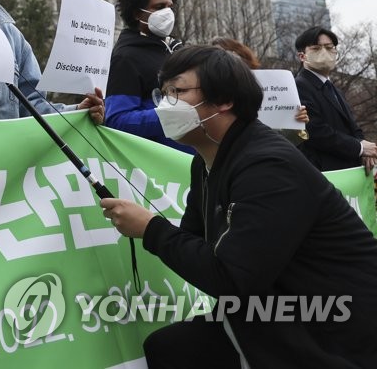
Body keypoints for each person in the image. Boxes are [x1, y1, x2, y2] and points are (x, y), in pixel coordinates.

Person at [101, 46, 377, 368]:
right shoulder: (206, 161)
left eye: (178, 91)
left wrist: (150, 228)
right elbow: (196, 242)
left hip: (337, 323)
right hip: (279, 307)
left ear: (225, 99)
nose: (165, 105)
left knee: (179, 350)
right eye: (162, 93)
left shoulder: (268, 165)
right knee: (168, 347)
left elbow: (232, 279)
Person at [104, 0, 189, 152]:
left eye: (170, 7)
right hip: (162, 165)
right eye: (159, 7)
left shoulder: (176, 50)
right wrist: (174, 115)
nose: (167, 13)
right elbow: (117, 120)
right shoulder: (126, 57)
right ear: (137, 13)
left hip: (195, 160)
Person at [293, 27, 376, 171]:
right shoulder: (298, 86)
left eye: (329, 47)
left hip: (350, 170)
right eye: (316, 48)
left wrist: (366, 147)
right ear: (302, 56)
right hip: (324, 172)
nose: (325, 52)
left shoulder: (333, 88)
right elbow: (315, 131)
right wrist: (360, 147)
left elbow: (352, 126)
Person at [210, 36, 309, 131]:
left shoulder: (265, 82)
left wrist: (295, 120)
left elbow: (285, 136)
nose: (222, 62)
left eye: (226, 55)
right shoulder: (208, 94)